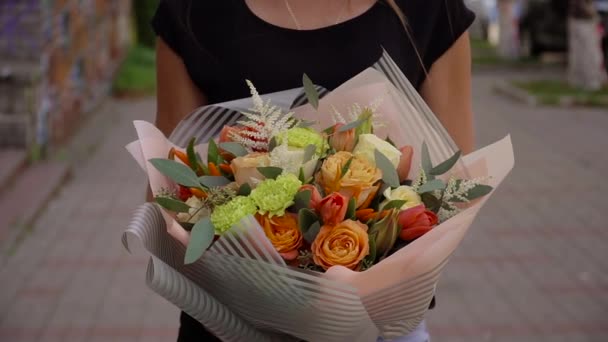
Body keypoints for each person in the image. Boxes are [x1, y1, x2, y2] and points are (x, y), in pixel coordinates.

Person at [150, 0, 475, 341]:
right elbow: (167, 191)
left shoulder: (430, 9)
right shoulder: (192, 10)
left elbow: (452, 192)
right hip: (228, 326)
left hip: (379, 328)